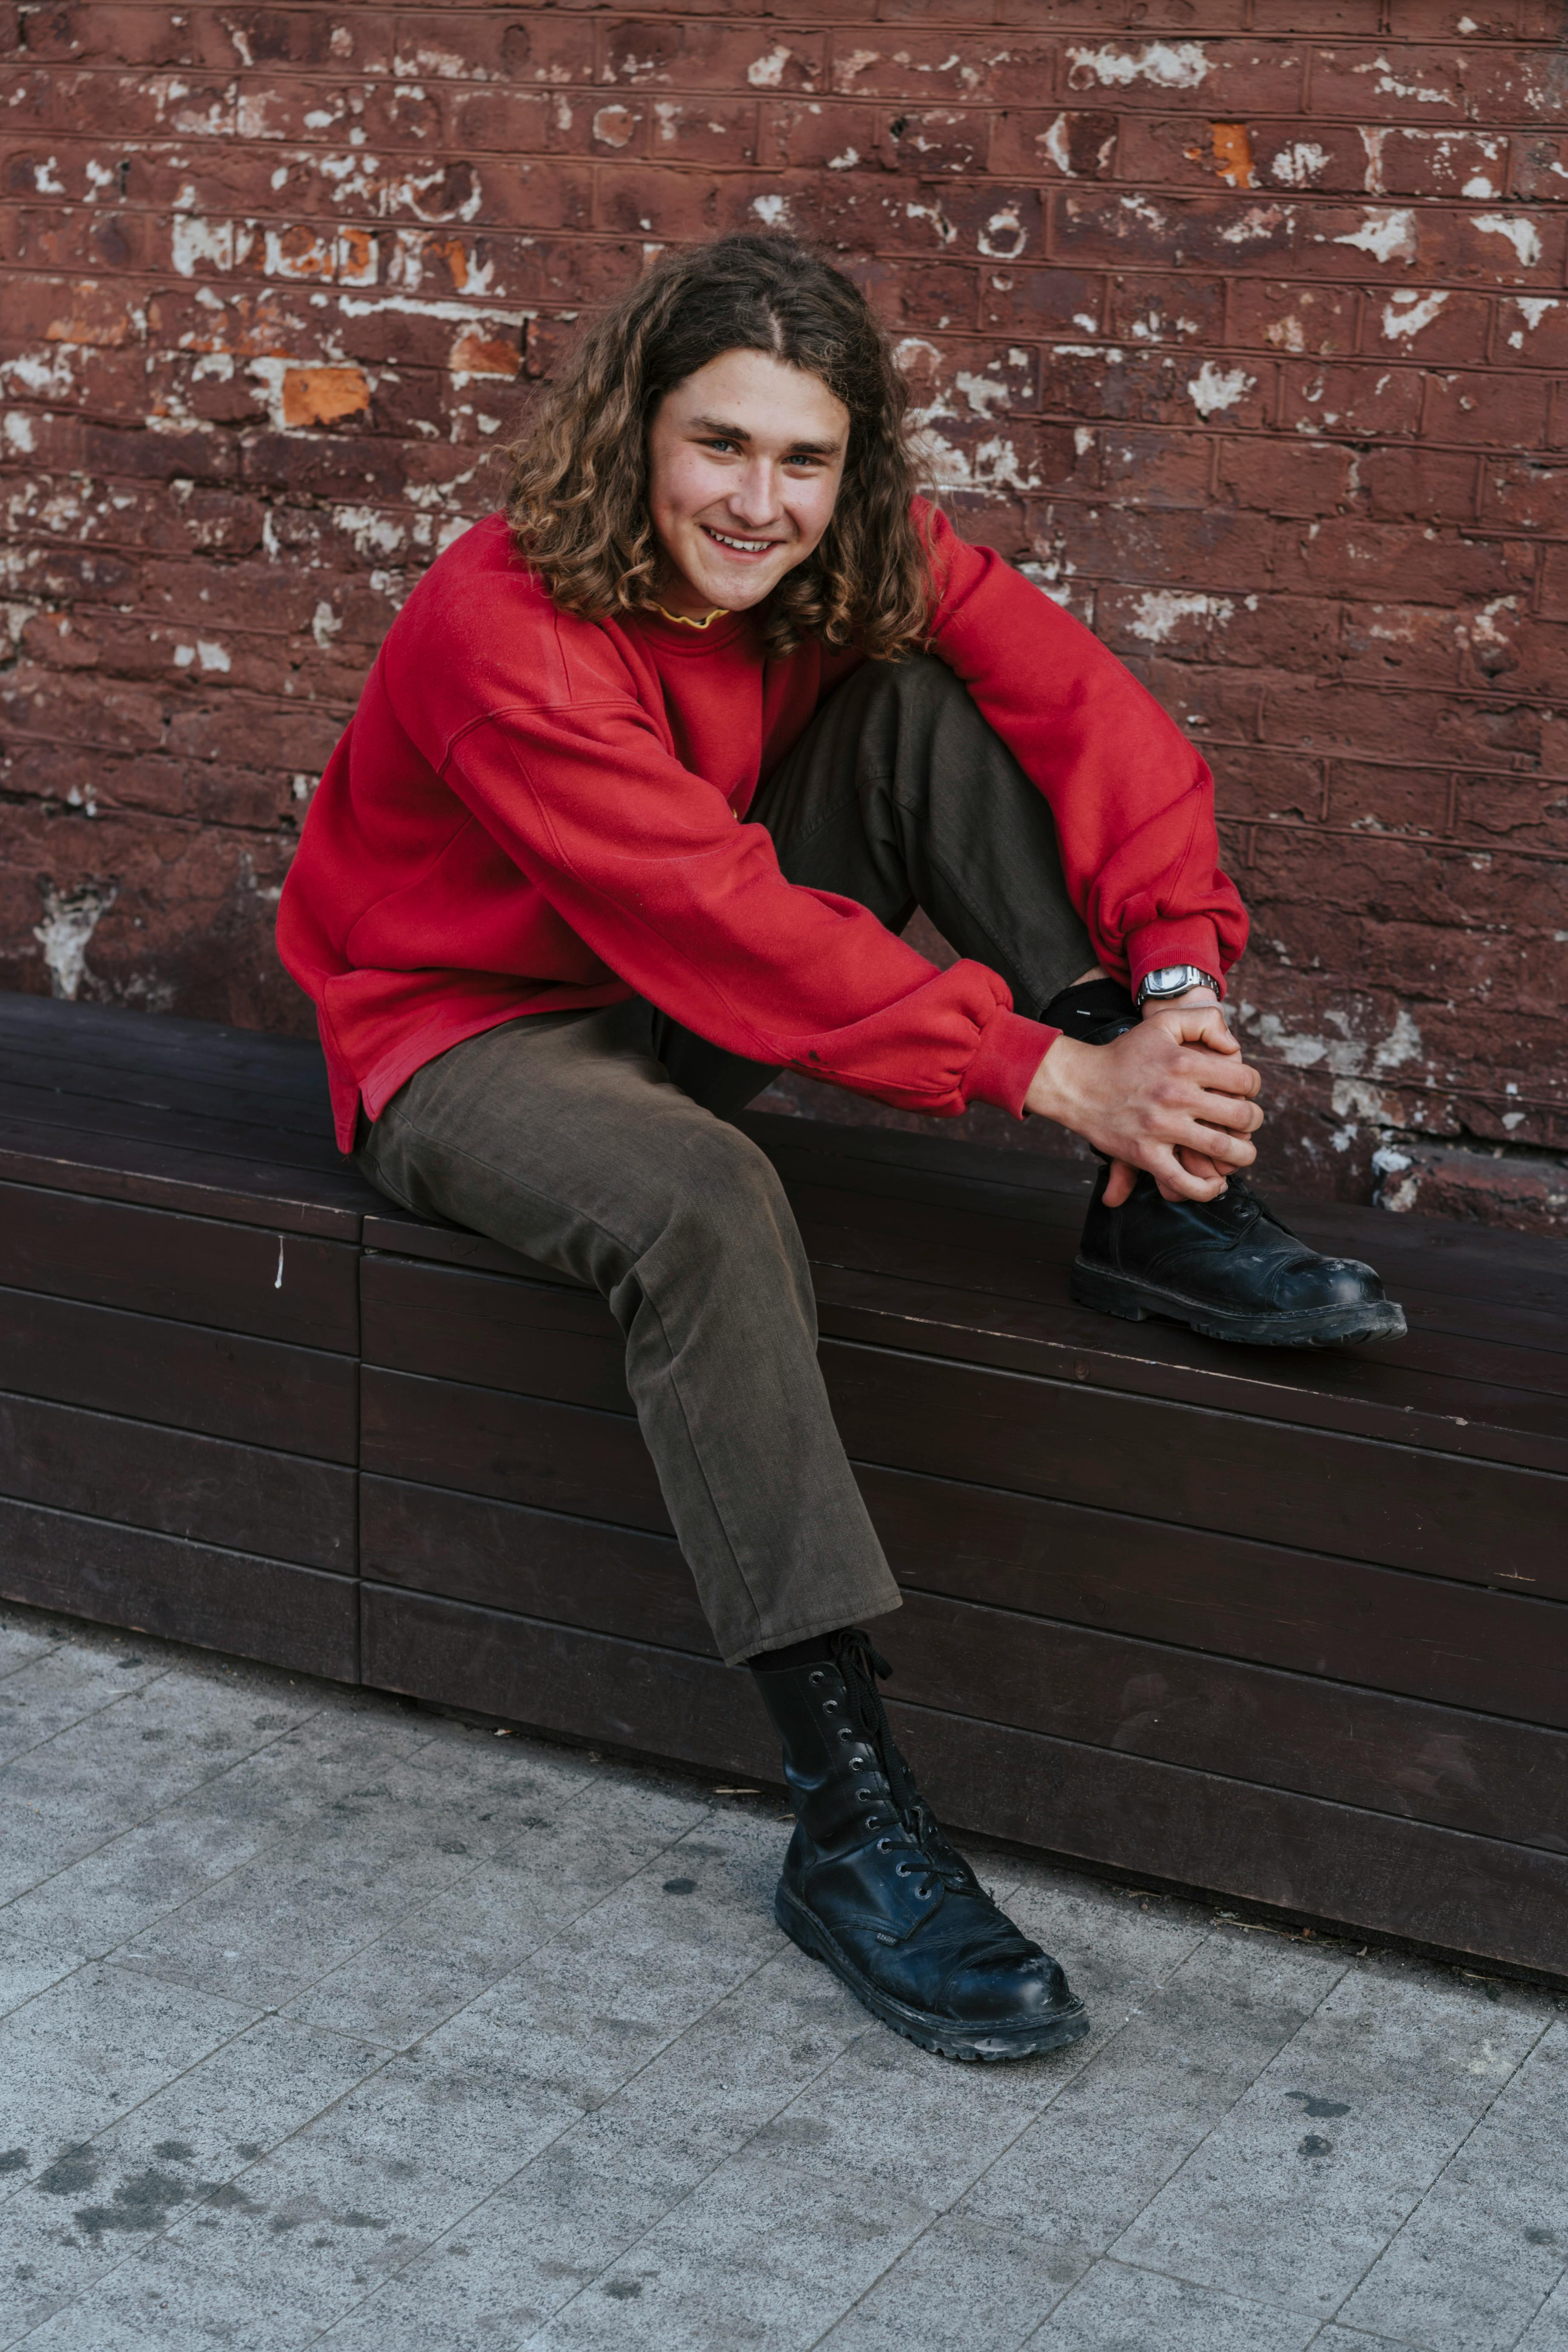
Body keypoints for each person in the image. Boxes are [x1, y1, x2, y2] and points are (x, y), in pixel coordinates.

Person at [278, 233, 1404, 2065]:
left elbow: (1083, 708)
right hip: (464, 1031)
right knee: (713, 1203)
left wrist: (1173, 990)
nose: (761, 502)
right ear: (635, 429)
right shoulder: (503, 625)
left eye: (805, 462)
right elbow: (719, 913)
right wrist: (1040, 1069)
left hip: (684, 994)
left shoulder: (850, 547)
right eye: (721, 447)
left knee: (928, 708)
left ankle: (1160, 1201)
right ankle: (851, 1817)